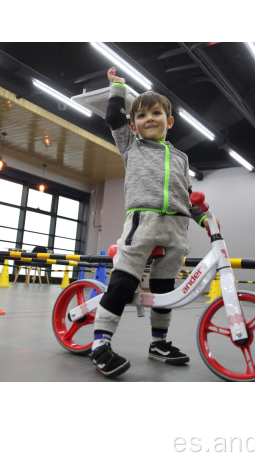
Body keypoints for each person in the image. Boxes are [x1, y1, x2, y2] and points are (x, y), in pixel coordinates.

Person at [90, 67, 220, 378]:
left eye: (156, 113)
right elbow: (112, 118)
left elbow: (186, 194)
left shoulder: (181, 158)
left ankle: (159, 343)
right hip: (143, 224)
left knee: (165, 290)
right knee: (124, 282)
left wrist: (202, 215)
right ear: (133, 125)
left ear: (169, 121)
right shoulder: (130, 146)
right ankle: (100, 344)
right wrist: (118, 88)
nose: (149, 118)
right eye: (142, 115)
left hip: (176, 229)